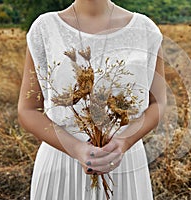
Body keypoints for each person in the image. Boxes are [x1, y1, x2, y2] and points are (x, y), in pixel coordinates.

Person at [18, 0, 166, 199]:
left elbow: (158, 103)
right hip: (61, 163)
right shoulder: (45, 28)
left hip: (124, 162)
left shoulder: (145, 30)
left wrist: (123, 142)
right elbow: (27, 110)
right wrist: (76, 148)